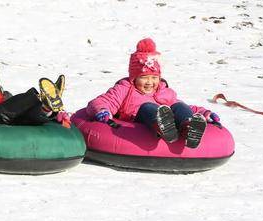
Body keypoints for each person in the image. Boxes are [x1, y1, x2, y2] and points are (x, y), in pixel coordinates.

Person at [86, 38, 221, 148]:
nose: (150, 82)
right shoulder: (125, 89)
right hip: (142, 120)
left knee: (179, 107)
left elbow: (185, 106)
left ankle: (189, 126)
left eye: (154, 78)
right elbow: (101, 102)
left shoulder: (164, 91)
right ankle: (162, 125)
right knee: (148, 107)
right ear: (134, 78)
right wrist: (102, 110)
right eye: (144, 77)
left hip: (170, 118)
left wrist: (204, 113)